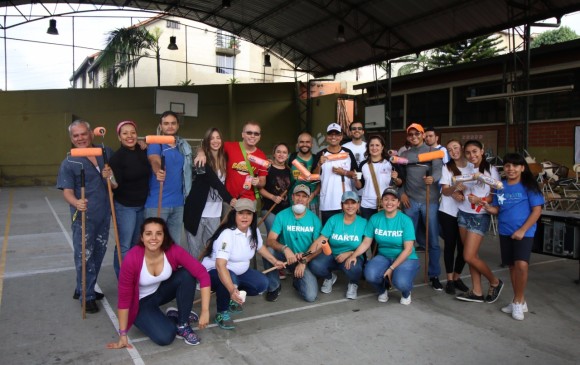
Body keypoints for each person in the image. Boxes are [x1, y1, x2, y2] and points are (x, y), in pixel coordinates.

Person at [107, 217, 211, 347]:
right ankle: (172, 317)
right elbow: (124, 300)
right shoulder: (132, 259)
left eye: (159, 233)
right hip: (140, 303)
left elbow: (202, 273)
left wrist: (205, 310)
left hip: (159, 292)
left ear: (164, 236)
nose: (153, 238)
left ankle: (183, 323)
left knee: (187, 274)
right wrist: (122, 334)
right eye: (148, 233)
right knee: (165, 337)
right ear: (142, 237)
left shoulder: (172, 250)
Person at [201, 199, 284, 330]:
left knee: (262, 284)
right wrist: (231, 289)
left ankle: (231, 295)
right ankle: (222, 312)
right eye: (241, 213)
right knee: (230, 281)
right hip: (215, 271)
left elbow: (260, 248)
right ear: (235, 215)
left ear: (253, 215)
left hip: (240, 271)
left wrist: (275, 261)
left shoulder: (253, 231)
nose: (245, 217)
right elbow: (220, 265)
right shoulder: (227, 234)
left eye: (248, 213)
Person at [57, 120, 113, 313]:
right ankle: (87, 295)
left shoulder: (105, 153)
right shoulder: (69, 162)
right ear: (71, 138)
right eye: (75, 135)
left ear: (91, 134)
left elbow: (114, 181)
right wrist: (76, 202)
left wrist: (110, 175)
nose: (80, 138)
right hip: (83, 217)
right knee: (84, 255)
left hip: (104, 214)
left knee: (98, 253)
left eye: (83, 134)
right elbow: (67, 191)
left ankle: (82, 287)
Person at [483, 153, 544, 320]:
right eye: (508, 166)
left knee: (522, 265)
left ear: (522, 168)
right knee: (511, 266)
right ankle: (519, 301)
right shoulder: (499, 186)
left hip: (524, 232)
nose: (511, 169)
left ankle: (517, 301)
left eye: (515, 166)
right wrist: (489, 208)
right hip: (505, 231)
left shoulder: (529, 186)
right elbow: (498, 209)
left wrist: (523, 230)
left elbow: (537, 210)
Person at [346, 187, 419, 305]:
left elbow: (408, 249)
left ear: (398, 203)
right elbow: (366, 242)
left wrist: (391, 268)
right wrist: (354, 255)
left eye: (393, 200)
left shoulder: (405, 220)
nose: (389, 202)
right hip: (384, 255)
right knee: (370, 274)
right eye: (386, 199)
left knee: (400, 282)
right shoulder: (375, 218)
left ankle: (406, 292)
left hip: (406, 257)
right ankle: (382, 290)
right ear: (381, 201)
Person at [454, 140, 504, 304]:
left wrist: (480, 199)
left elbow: (494, 194)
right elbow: (462, 188)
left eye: (475, 151)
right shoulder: (466, 169)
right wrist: (460, 191)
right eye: (468, 152)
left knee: (468, 255)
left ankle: (495, 281)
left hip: (479, 215)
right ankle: (476, 291)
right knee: (471, 256)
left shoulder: (491, 170)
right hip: (463, 213)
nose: (472, 155)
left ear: (482, 150)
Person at [399, 123, 443, 291]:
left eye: (417, 134)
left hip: (429, 201)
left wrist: (433, 179)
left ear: (423, 135)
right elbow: (399, 177)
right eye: (411, 134)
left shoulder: (433, 152)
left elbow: (438, 170)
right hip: (409, 202)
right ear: (408, 137)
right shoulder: (405, 154)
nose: (414, 137)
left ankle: (434, 275)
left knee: (432, 240)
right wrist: (401, 193)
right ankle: (403, 271)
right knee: (406, 239)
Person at [263, 184, 323, 302]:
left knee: (310, 296)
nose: (300, 199)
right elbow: (270, 240)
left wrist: (304, 260)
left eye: (304, 196)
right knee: (268, 251)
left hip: (303, 258)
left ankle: (297, 279)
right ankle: (274, 286)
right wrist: (285, 249)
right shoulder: (282, 215)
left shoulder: (314, 219)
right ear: (292, 197)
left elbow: (319, 247)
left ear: (308, 199)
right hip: (286, 257)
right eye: (298, 195)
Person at [107, 120, 150, 278]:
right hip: (125, 206)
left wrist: (143, 143)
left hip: (142, 205)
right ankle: (125, 279)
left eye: (132, 132)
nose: (129, 136)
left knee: (135, 244)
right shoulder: (117, 158)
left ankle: (134, 275)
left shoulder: (142, 149)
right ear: (119, 137)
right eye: (125, 133)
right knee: (124, 245)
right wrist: (109, 177)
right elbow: (114, 185)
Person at [183, 128, 235, 260]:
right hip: (196, 213)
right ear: (207, 141)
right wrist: (230, 199)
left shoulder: (225, 158)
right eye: (212, 138)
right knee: (195, 253)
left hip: (215, 214)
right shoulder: (201, 160)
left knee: (212, 250)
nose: (215, 141)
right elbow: (215, 182)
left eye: (218, 137)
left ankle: (207, 278)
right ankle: (194, 280)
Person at [145, 111, 193, 246]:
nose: (170, 126)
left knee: (174, 244)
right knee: (155, 244)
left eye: (173, 123)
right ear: (161, 126)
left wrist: (201, 151)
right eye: (166, 123)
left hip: (178, 203)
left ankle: (171, 268)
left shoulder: (182, 146)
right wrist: (158, 170)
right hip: (158, 202)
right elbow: (153, 159)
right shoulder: (156, 143)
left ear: (177, 125)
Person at [308, 191, 367, 299]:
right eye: (346, 203)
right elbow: (321, 240)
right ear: (341, 205)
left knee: (355, 269)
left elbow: (366, 244)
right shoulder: (333, 220)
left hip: (353, 255)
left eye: (353, 203)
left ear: (358, 205)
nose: (350, 206)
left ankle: (353, 283)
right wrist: (306, 256)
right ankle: (329, 277)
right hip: (331, 254)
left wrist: (351, 253)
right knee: (314, 264)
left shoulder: (364, 223)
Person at [438, 139, 472, 295]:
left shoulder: (473, 167)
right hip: (448, 212)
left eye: (456, 147)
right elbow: (445, 191)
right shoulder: (447, 167)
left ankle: (458, 277)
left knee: (464, 247)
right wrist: (454, 189)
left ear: (462, 148)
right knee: (450, 246)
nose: (454, 151)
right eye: (450, 149)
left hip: (467, 212)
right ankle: (450, 280)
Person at [313, 123, 358, 225]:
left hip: (346, 202)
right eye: (330, 134)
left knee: (345, 232)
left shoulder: (348, 153)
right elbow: (314, 178)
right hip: (327, 202)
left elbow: (357, 174)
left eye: (337, 134)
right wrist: (319, 164)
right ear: (326, 137)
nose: (333, 137)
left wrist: (345, 172)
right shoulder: (320, 154)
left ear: (341, 137)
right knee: (328, 233)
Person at [356, 135, 401, 219]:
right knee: (368, 231)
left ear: (382, 147)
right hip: (367, 205)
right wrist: (355, 179)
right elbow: (359, 186)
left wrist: (396, 178)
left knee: (383, 230)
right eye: (371, 145)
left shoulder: (390, 162)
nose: (374, 148)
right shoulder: (363, 165)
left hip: (386, 204)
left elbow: (400, 183)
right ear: (368, 147)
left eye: (377, 145)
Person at [259, 143, 292, 233]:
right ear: (274, 154)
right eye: (278, 152)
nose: (281, 154)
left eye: (284, 152)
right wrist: (273, 197)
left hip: (286, 210)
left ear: (287, 155)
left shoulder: (289, 171)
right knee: (273, 237)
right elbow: (260, 189)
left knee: (283, 237)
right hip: (270, 209)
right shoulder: (267, 169)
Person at [288, 132, 320, 215]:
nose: (304, 144)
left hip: (311, 201)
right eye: (301, 142)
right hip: (293, 201)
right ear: (297, 144)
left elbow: (321, 182)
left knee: (312, 227)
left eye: (307, 142)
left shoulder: (317, 159)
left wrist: (314, 193)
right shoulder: (290, 158)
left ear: (312, 144)